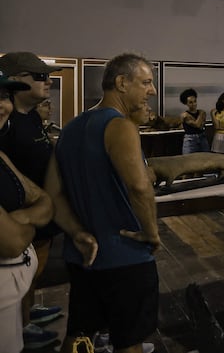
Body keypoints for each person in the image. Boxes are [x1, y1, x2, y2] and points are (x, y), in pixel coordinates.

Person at [49, 53, 160, 353]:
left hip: (83, 255)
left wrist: (76, 233)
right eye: (146, 82)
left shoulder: (69, 128)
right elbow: (140, 188)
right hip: (125, 257)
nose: (152, 90)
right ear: (122, 83)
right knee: (129, 342)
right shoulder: (121, 126)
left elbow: (53, 194)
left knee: (79, 334)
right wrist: (151, 233)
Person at [0, 52, 62, 349]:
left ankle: (27, 315)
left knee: (33, 274)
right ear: (17, 81)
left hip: (40, 213)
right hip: (18, 221)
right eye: (40, 77)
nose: (48, 82)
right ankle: (22, 325)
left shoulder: (32, 118)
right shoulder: (7, 123)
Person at [179, 88, 208, 154]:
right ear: (186, 103)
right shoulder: (185, 115)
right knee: (188, 160)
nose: (194, 104)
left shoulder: (201, 112)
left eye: (195, 101)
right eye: (190, 102)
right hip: (190, 139)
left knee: (205, 159)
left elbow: (201, 126)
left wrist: (200, 114)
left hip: (202, 137)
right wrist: (201, 114)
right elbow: (197, 124)